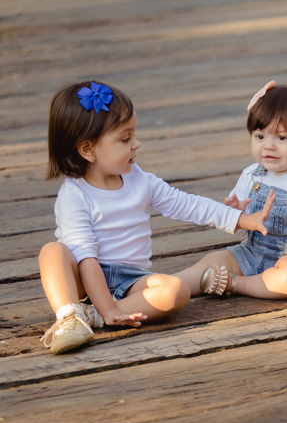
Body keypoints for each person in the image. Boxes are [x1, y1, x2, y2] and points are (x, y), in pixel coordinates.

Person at [39, 81, 274, 354]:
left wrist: (241, 220)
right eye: (125, 139)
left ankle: (92, 318)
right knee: (53, 251)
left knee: (175, 291)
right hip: (82, 275)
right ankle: (69, 315)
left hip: (130, 281)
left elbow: (186, 204)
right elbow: (86, 257)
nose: (136, 144)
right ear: (88, 150)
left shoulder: (139, 180)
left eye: (133, 135)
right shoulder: (74, 195)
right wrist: (107, 305)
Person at [175, 81, 287, 299]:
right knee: (215, 260)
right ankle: (171, 285)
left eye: (281, 137)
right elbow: (241, 230)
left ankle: (237, 283)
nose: (268, 145)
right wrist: (239, 214)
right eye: (260, 136)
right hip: (252, 252)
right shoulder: (252, 175)